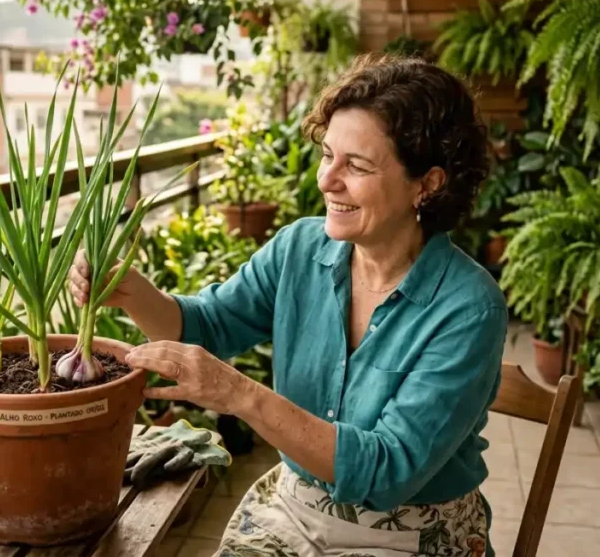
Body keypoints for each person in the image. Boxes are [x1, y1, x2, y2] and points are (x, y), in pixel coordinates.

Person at [69, 53, 508, 557]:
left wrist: (241, 395)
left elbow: (387, 472)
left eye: (357, 165)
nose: (327, 180)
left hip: (412, 533)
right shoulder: (300, 249)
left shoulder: (470, 309)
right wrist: (132, 291)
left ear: (427, 185)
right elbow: (207, 326)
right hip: (296, 511)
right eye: (327, 155)